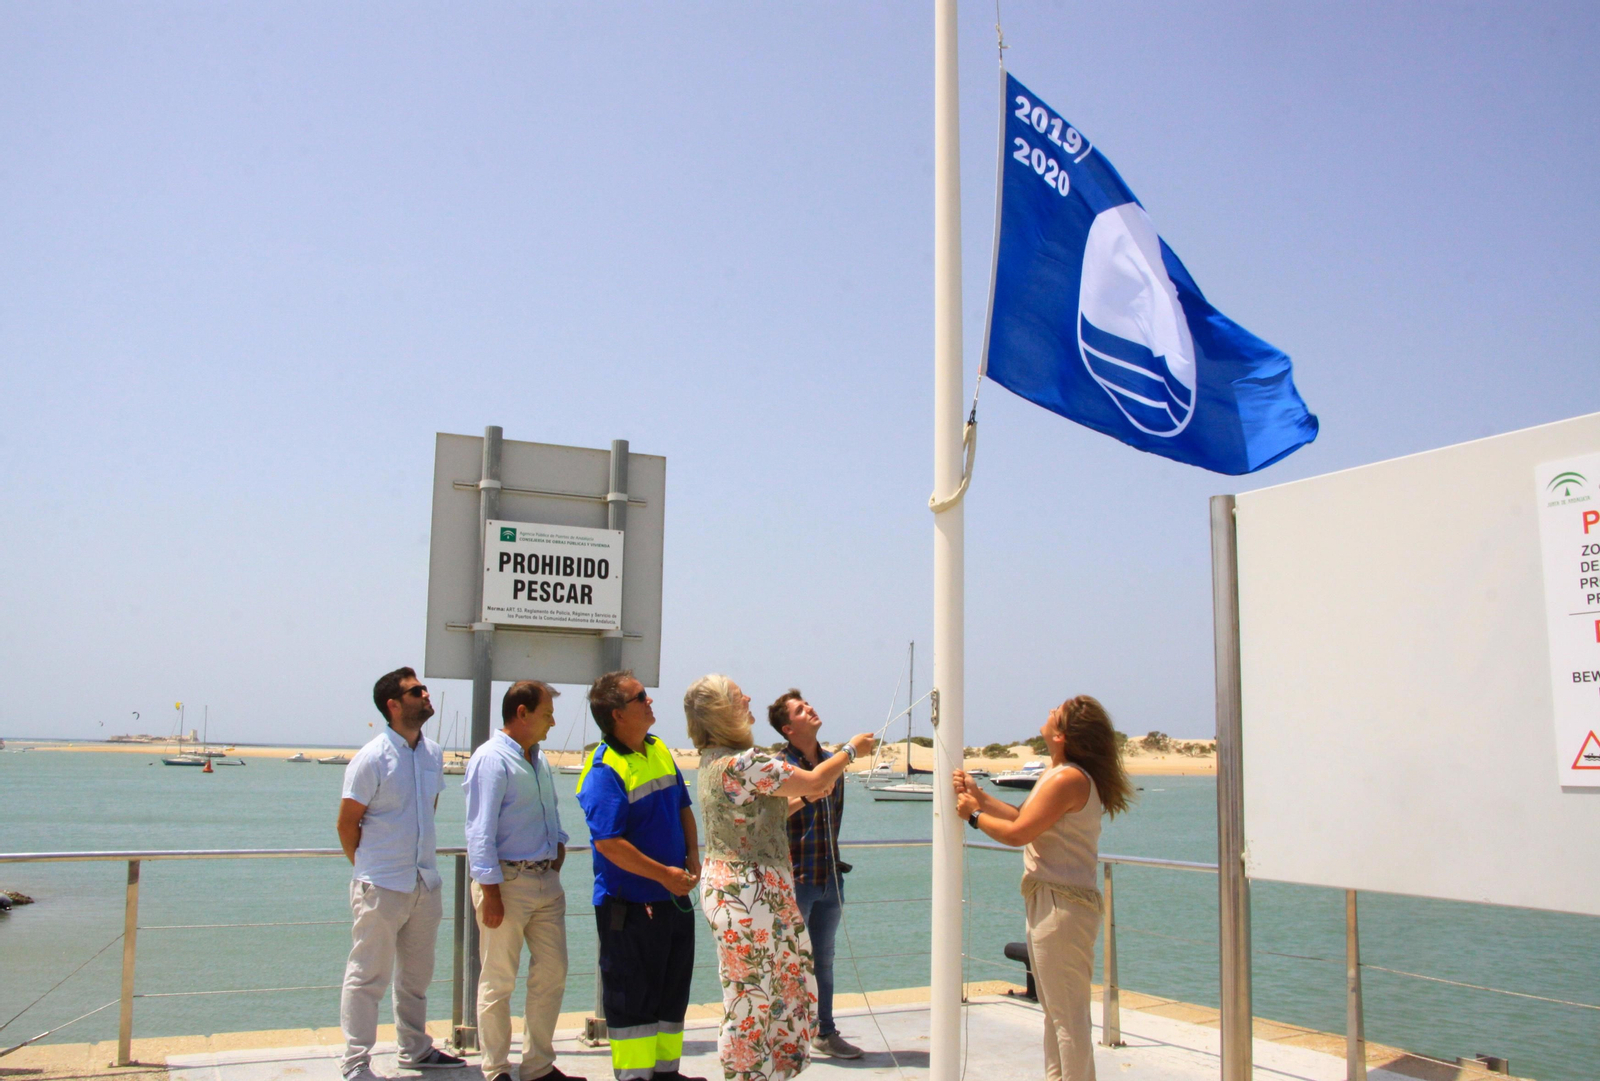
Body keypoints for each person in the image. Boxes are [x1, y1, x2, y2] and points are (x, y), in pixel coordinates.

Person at [685, 674, 876, 1081]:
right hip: (750, 894)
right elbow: (817, 778)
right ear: (722, 710)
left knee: (765, 994)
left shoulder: (715, 760)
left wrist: (805, 796)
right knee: (754, 1001)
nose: (749, 697)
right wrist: (850, 750)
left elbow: (759, 815)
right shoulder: (744, 762)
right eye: (739, 696)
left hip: (739, 890)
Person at [952, 695, 1133, 1081]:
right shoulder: (1060, 773)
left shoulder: (1068, 778)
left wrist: (974, 815)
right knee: (1057, 1013)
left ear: (1063, 733)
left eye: (1057, 711)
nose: (1049, 711)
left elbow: (1018, 833)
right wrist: (980, 796)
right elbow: (1023, 816)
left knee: (1067, 1018)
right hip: (1053, 900)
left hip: (1062, 905)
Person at [336, 667, 466, 1081]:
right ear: (393, 705)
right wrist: (369, 869)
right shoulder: (370, 758)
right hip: (381, 885)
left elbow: (428, 811)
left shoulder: (433, 752)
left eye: (424, 688)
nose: (426, 694)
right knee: (366, 976)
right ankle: (355, 1063)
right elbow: (346, 824)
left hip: (423, 884)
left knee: (416, 976)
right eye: (415, 691)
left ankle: (415, 1050)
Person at [576, 671, 704, 1081]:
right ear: (617, 714)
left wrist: (693, 855)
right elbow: (608, 844)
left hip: (673, 899)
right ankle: (634, 1078)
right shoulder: (603, 769)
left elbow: (683, 805)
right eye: (640, 698)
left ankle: (667, 1074)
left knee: (672, 990)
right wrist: (664, 874)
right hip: (630, 907)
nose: (651, 702)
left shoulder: (659, 748)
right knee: (632, 999)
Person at [464, 681, 583, 1081]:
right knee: (498, 980)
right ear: (522, 713)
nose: (552, 721)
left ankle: (538, 1068)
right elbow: (479, 832)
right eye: (547, 713)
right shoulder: (491, 759)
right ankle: (496, 1070)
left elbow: (549, 811)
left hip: (545, 881)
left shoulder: (539, 758)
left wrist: (559, 847)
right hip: (507, 881)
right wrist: (492, 892)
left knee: (553, 973)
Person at [766, 690, 861, 1060]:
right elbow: (770, 817)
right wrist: (806, 796)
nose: (811, 709)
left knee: (823, 959)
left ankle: (825, 1031)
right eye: (801, 710)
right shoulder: (778, 766)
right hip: (795, 879)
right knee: (787, 961)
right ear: (788, 728)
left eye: (808, 705)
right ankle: (781, 1037)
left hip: (830, 878)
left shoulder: (830, 761)